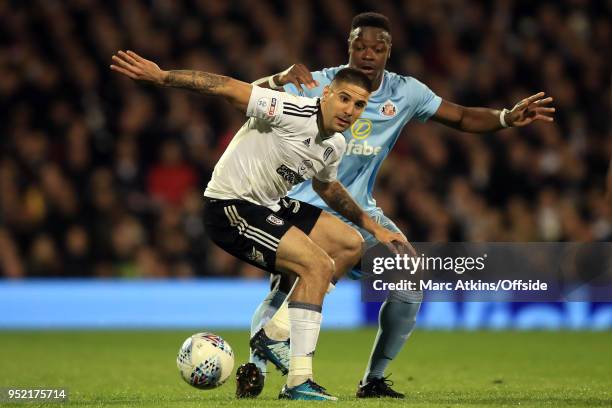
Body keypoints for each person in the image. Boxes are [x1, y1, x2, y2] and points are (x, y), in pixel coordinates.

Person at [241, 12, 556, 399]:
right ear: (349, 47)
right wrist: (275, 79)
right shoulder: (319, 83)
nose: (368, 54)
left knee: (408, 280)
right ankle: (256, 366)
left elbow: (459, 116)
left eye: (378, 47)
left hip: (359, 212)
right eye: (360, 46)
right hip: (301, 205)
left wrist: (506, 117)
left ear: (390, 51)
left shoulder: (405, 93)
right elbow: (250, 97)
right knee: (288, 286)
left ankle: (372, 379)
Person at [110, 49, 409, 401]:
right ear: (326, 94)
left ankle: (274, 333)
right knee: (317, 266)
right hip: (230, 206)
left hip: (270, 204)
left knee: (348, 243)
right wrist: (163, 77)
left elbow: (326, 187)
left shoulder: (335, 144)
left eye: (358, 105)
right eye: (344, 98)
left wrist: (374, 229)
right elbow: (226, 87)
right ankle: (298, 381)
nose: (349, 110)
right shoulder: (290, 109)